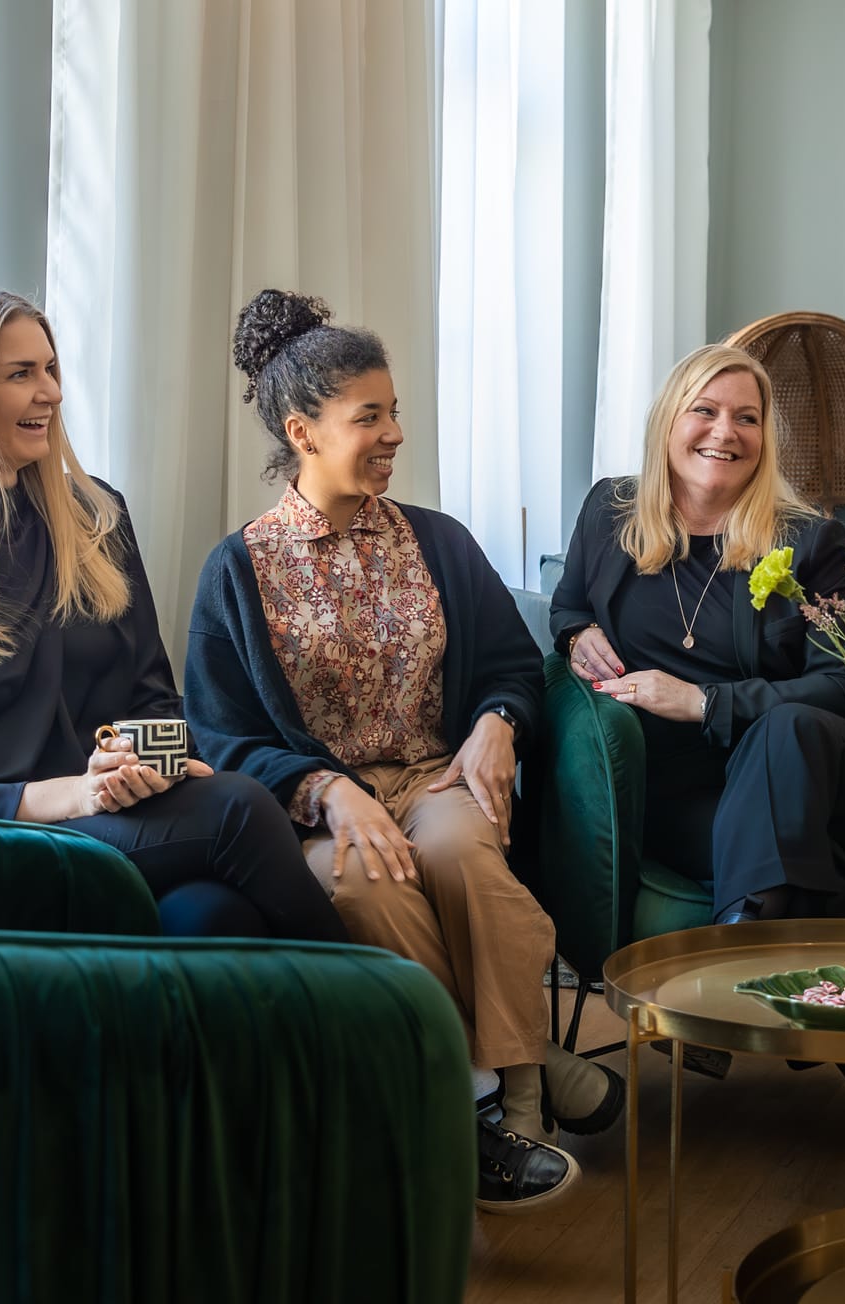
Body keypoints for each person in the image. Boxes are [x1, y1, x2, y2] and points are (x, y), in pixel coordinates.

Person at [185, 290, 620, 1215]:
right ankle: (495, 1090)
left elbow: (512, 666)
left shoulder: (440, 542)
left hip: (436, 775)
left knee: (466, 859)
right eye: (369, 416)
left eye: (394, 411)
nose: (394, 434)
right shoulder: (238, 569)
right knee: (368, 889)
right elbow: (220, 736)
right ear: (302, 432)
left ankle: (523, 1113)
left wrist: (498, 720)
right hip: (321, 807)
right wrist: (325, 790)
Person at [549, 343, 845, 1197]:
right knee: (797, 880)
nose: (724, 432)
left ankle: (729, 971)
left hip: (808, 767)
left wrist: (705, 703)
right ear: (669, 419)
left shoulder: (809, 540)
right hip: (684, 794)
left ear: (767, 436)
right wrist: (573, 631)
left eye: (747, 417)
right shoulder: (611, 512)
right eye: (705, 410)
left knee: (785, 732)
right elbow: (571, 600)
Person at [0, 283, 346, 943]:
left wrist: (144, 764)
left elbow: (154, 700)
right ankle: (383, 1006)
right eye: (21, 374)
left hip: (111, 821)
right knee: (238, 808)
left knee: (216, 918)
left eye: (51, 369)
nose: (51, 392)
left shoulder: (95, 516)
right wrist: (75, 794)